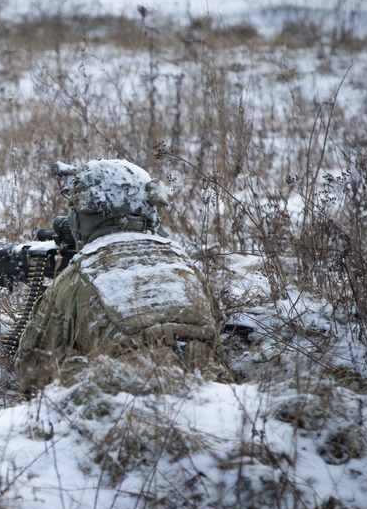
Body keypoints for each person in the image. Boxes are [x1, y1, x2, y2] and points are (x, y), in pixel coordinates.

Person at [16, 159, 223, 389]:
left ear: (85, 215)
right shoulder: (185, 266)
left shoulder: (77, 276)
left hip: (125, 403)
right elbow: (219, 346)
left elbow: (32, 372)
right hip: (209, 398)